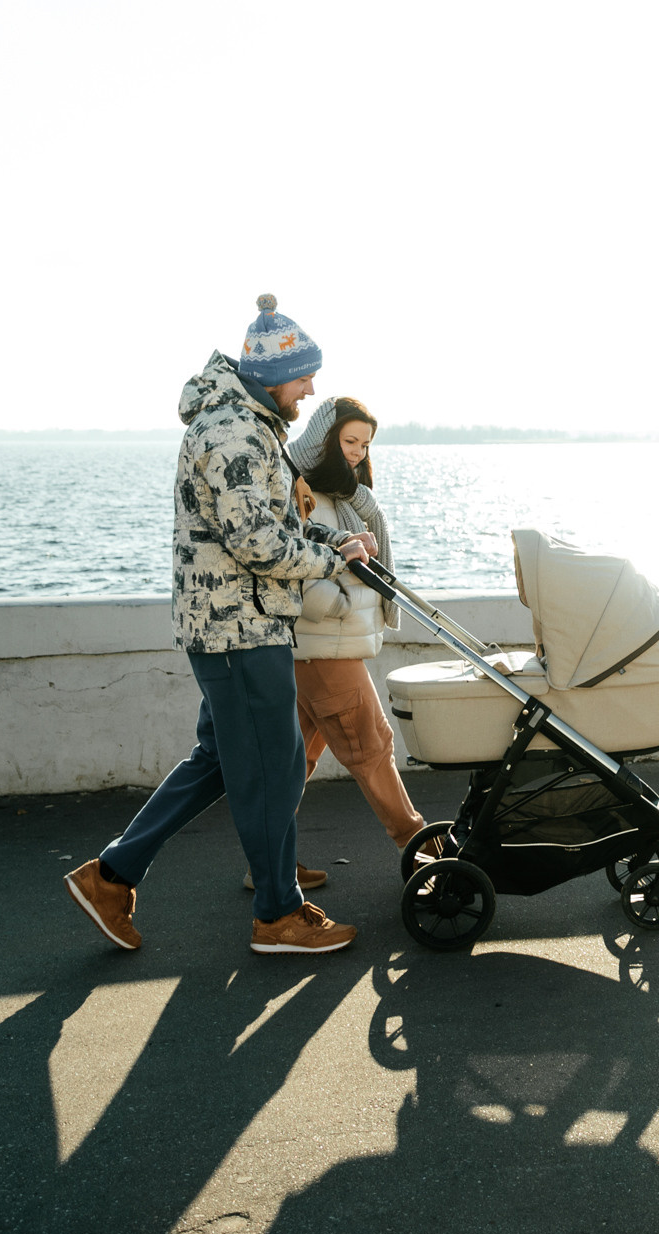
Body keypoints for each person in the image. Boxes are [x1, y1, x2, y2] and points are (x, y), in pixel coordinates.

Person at [64, 295, 373, 955]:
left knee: (220, 762)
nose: (312, 387)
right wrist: (326, 561)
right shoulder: (234, 429)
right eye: (304, 375)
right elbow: (255, 540)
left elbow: (271, 519)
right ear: (271, 375)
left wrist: (329, 538)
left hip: (236, 622)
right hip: (239, 628)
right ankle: (276, 914)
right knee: (272, 766)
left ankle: (111, 875)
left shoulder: (250, 422)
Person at [271, 395, 428, 864]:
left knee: (295, 763)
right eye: (349, 440)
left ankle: (270, 867)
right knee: (372, 745)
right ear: (325, 439)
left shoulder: (345, 495)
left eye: (364, 443)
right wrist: (337, 605)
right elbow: (296, 566)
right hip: (325, 646)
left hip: (322, 646)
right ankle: (421, 845)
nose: (358, 451)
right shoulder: (302, 492)